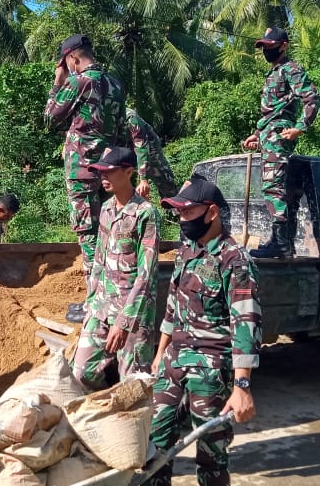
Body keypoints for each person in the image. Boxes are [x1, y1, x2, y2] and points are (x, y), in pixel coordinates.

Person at [148, 178, 261, 486]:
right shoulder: (186, 251)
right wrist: (160, 353)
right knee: (154, 444)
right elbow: (173, 306)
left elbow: (245, 324)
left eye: (188, 212)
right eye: (179, 214)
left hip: (211, 369)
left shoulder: (233, 259)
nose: (182, 220)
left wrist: (242, 385)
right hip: (173, 362)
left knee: (210, 455)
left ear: (211, 213)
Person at [70, 147, 160, 390]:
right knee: (80, 373)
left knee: (133, 385)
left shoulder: (145, 214)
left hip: (132, 315)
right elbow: (98, 261)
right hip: (101, 307)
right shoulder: (107, 209)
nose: (104, 178)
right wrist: (90, 304)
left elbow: (146, 275)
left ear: (129, 172)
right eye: (101, 173)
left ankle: (134, 424)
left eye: (109, 172)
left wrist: (124, 322)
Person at [44, 34, 129, 279]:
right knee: (109, 227)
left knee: (87, 232)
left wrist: (57, 83)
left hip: (81, 170)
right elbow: (123, 130)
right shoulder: (115, 83)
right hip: (111, 169)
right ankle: (114, 289)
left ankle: (95, 296)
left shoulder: (79, 82)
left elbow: (50, 118)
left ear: (72, 58)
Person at [241, 27, 320, 259]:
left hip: (278, 134)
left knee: (272, 187)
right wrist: (257, 133)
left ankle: (280, 243)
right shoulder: (274, 72)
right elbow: (272, 110)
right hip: (268, 132)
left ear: (283, 45)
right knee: (272, 186)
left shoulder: (291, 69)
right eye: (264, 46)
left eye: (270, 45)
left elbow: (311, 97)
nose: (266, 50)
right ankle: (281, 242)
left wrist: (300, 127)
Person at [127, 108, 179, 200]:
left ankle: (175, 207)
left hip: (150, 148)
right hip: (128, 148)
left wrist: (143, 179)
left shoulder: (130, 117)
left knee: (164, 181)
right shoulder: (100, 114)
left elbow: (141, 147)